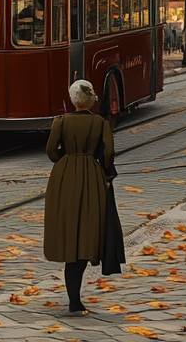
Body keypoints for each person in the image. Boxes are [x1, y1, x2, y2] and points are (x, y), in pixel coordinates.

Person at [43, 79, 115, 315]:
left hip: (64, 177)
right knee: (87, 227)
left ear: (73, 100)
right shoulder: (100, 123)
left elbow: (51, 150)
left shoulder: (61, 122)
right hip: (91, 175)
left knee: (68, 224)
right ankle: (76, 294)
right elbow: (108, 153)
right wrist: (103, 172)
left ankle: (73, 296)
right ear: (91, 100)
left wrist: (65, 159)